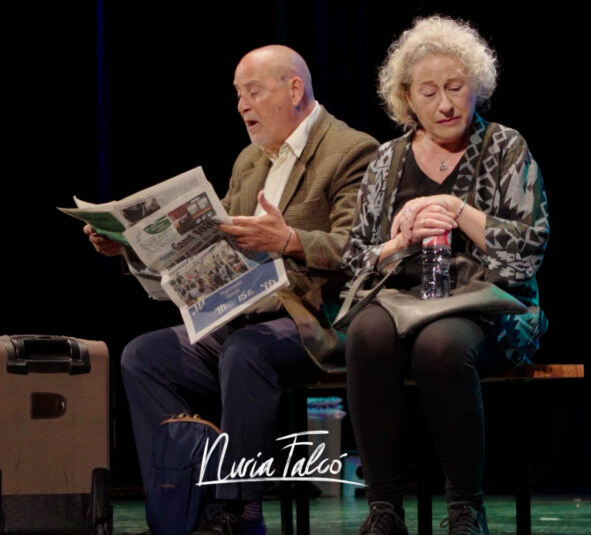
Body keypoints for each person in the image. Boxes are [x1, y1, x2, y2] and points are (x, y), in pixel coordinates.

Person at [85, 45, 378, 535]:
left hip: (317, 319)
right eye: (238, 95)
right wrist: (133, 248)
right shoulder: (249, 161)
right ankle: (180, 510)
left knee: (245, 351)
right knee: (143, 357)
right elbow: (210, 248)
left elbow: (360, 249)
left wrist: (289, 240)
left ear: (294, 90)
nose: (242, 105)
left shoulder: (351, 151)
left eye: (253, 92)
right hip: (244, 317)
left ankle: (240, 512)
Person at [341, 15, 549, 535]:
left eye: (455, 88)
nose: (445, 104)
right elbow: (355, 262)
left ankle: (465, 509)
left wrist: (457, 209)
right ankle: (384, 508)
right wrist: (400, 241)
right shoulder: (386, 161)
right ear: (407, 99)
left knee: (440, 345)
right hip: (402, 302)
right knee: (365, 333)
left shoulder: (505, 147)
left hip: (486, 306)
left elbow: (528, 250)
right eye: (429, 92)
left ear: (476, 85)